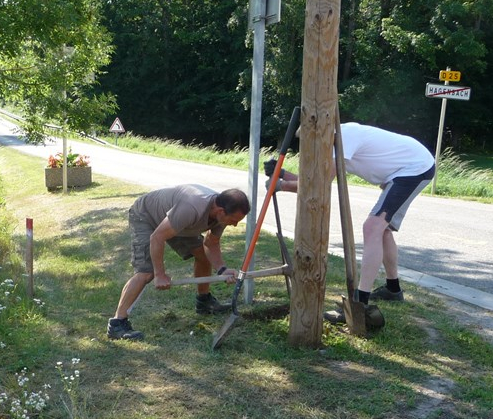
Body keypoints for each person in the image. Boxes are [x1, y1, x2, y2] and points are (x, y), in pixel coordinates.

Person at [274, 122, 435, 325]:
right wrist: (283, 175)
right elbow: (315, 180)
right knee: (382, 230)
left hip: (414, 168)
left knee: (372, 227)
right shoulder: (336, 140)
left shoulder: (345, 136)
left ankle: (360, 302)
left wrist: (281, 185)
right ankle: (393, 289)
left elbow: (321, 184)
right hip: (406, 168)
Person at [107, 185, 250, 341]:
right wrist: (160, 274)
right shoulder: (192, 207)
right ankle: (117, 323)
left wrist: (222, 269)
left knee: (203, 256)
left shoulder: (221, 213)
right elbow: (157, 237)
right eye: (233, 220)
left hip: (178, 223)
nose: (235, 225)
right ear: (221, 211)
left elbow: (211, 243)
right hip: (146, 216)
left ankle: (204, 302)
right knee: (146, 272)